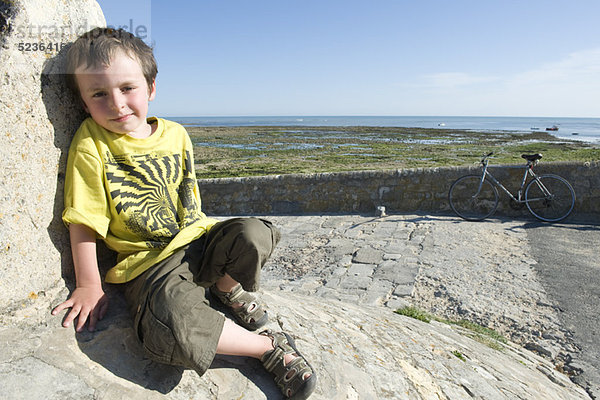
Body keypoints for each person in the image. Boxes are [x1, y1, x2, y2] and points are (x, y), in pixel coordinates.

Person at [51, 27, 316, 400]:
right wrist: (89, 283)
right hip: (150, 262)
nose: (116, 103)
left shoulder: (176, 133)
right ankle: (269, 347)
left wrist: (217, 252)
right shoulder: (91, 142)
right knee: (173, 325)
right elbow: (83, 217)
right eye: (99, 94)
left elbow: (188, 199)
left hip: (197, 237)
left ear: (151, 88)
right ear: (82, 101)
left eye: (127, 88)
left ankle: (226, 290)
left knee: (255, 232)